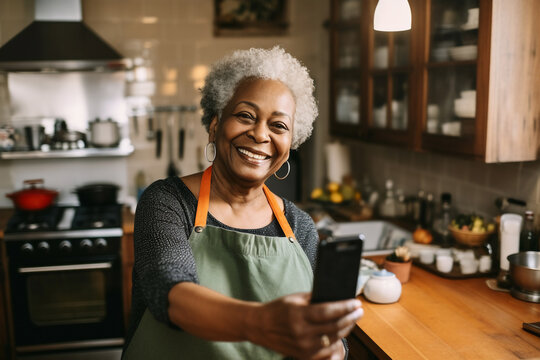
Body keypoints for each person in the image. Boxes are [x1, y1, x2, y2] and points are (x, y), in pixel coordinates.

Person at [123, 46, 363, 360]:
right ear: (215, 124)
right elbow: (168, 292)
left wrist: (331, 350)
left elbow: (326, 331)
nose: (260, 134)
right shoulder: (166, 202)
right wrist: (262, 322)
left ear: (290, 145)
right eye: (245, 116)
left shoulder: (299, 225)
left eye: (278, 126)